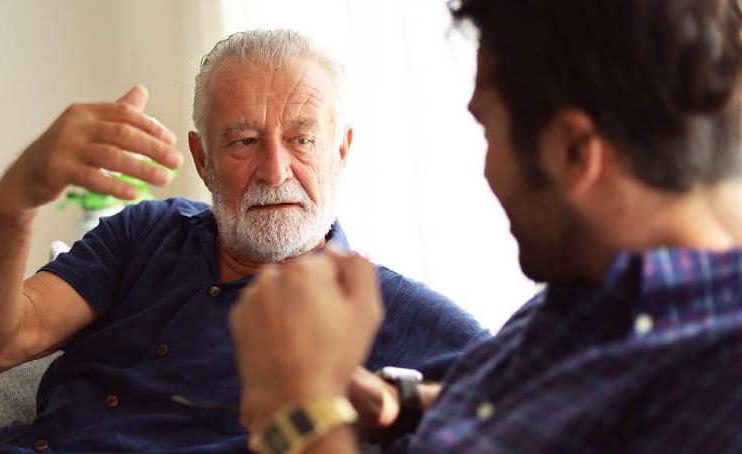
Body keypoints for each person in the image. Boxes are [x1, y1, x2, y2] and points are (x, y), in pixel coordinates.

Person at [0, 29, 486, 453]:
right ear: (202, 159)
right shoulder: (143, 234)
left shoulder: (388, 312)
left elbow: (534, 406)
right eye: (245, 142)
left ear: (340, 150)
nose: (275, 170)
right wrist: (14, 205)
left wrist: (395, 400)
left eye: (301, 139)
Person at [230, 1, 742, 452]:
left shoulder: (718, 390)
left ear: (573, 152)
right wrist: (400, 405)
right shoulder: (589, 290)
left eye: (487, 129)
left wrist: (300, 411)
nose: (487, 168)